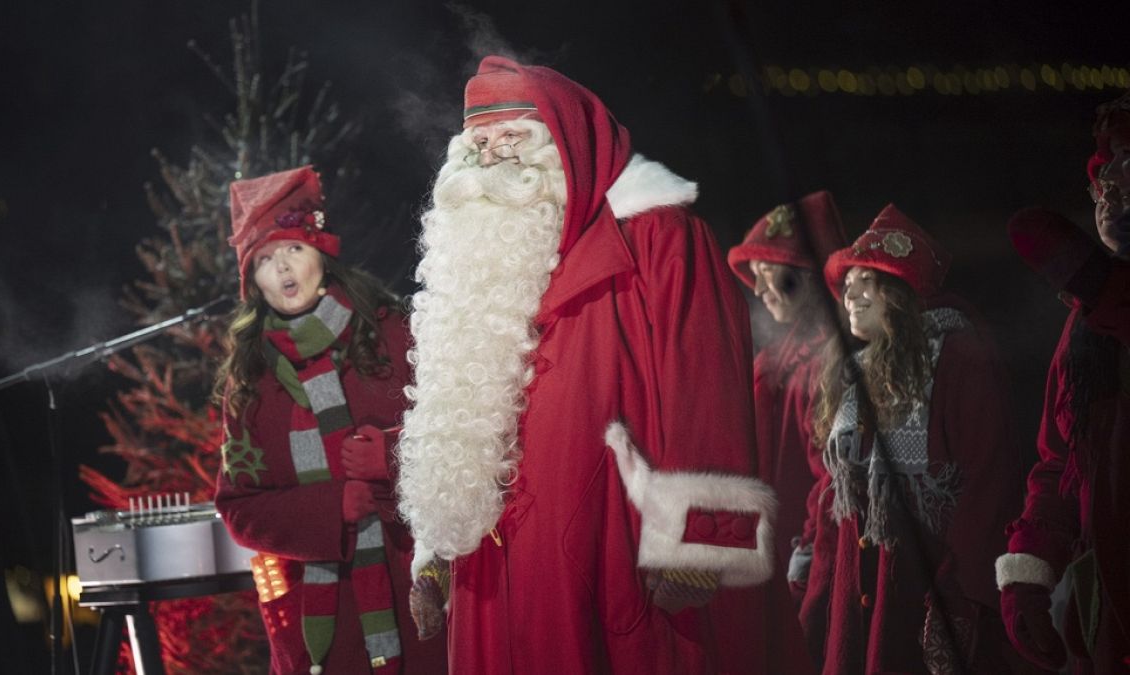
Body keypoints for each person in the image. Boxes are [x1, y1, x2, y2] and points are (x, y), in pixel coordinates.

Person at [396, 56, 777, 674]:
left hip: (611, 565)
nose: (492, 161)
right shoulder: (473, 270)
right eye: (479, 145)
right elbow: (453, 416)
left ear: (565, 148)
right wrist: (434, 549)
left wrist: (699, 543)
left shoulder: (659, 241)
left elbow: (707, 392)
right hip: (489, 580)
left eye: (512, 139)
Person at [213, 166, 447, 675]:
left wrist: (391, 460)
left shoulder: (392, 334)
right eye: (265, 260)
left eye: (293, 249)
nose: (283, 269)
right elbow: (239, 508)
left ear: (321, 251)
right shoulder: (251, 380)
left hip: (421, 587)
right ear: (251, 281)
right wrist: (330, 506)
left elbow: (461, 435)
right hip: (321, 621)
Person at [807, 205, 1038, 674]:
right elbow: (840, 505)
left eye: (864, 278)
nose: (849, 291)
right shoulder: (855, 378)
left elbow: (988, 486)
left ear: (898, 287)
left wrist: (955, 604)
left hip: (922, 600)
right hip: (859, 613)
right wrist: (818, 596)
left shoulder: (958, 356)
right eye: (847, 281)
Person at [997, 91, 1130, 673]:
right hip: (1106, 611)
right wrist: (1028, 575)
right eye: (1109, 170)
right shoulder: (1083, 324)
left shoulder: (1100, 302)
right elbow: (1057, 462)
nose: (1115, 188)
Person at [725, 190, 846, 672]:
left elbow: (829, 478)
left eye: (774, 274)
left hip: (804, 559)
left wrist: (806, 564)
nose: (760, 289)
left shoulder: (829, 362)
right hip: (768, 558)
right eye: (756, 275)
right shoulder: (771, 361)